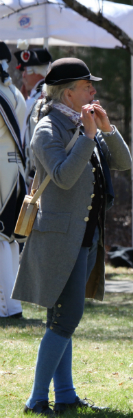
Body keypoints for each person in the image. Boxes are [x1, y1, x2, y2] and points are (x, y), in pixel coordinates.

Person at [12, 58, 131, 415]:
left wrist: (107, 129)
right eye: (86, 86)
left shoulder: (84, 124)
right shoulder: (48, 128)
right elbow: (63, 177)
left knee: (61, 320)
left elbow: (123, 163)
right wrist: (89, 136)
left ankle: (64, 395)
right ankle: (37, 399)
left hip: (84, 236)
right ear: (68, 92)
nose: (93, 91)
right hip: (60, 238)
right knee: (66, 319)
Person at [0, 41, 28, 319]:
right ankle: (13, 305)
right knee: (8, 239)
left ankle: (6, 307)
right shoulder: (13, 91)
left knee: (2, 237)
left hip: (1, 169)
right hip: (14, 167)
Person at [14, 42, 53, 186]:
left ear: (36, 72)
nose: (23, 76)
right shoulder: (51, 95)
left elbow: (26, 141)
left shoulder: (34, 101)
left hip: (35, 173)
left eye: (25, 70)